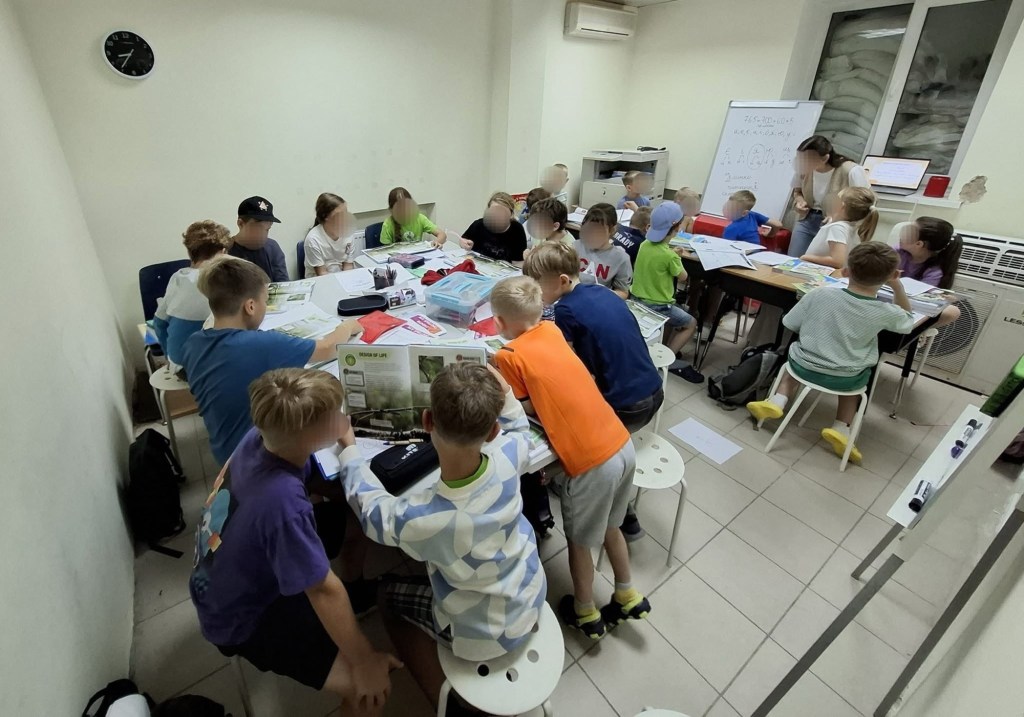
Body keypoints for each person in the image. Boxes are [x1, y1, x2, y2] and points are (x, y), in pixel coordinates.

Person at [190, 368, 400, 716]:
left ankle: (356, 591)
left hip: (227, 570)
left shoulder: (261, 437)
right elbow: (322, 590)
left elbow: (309, 482)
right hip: (244, 615)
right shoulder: (283, 505)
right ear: (311, 437)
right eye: (335, 417)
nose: (343, 420)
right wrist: (364, 659)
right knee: (366, 689)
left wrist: (345, 451)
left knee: (354, 522)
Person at [337, 362, 546, 711]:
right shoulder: (511, 453)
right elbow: (519, 426)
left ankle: (445, 702)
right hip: (530, 592)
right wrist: (505, 389)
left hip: (480, 635)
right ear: (493, 432)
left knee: (387, 596)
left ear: (427, 420)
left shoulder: (424, 519)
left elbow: (372, 512)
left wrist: (348, 448)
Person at [490, 276, 651, 640]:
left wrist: (498, 383)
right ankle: (627, 593)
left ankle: (584, 610)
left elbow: (524, 406)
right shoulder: (552, 330)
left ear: (498, 322)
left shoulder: (507, 355)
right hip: (621, 442)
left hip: (593, 464)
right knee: (611, 525)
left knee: (579, 541)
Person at [524, 242, 665, 541]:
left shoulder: (565, 311)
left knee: (574, 429)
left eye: (537, 286)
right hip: (653, 391)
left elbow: (567, 368)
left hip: (626, 405)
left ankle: (622, 516)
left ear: (562, 281)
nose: (535, 294)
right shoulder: (603, 292)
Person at [180, 256, 362, 466]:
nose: (265, 307)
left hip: (223, 453)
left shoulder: (193, 344)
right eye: (265, 301)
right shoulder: (259, 344)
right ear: (250, 306)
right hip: (257, 462)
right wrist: (348, 326)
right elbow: (327, 348)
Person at [746, 242, 915, 463]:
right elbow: (908, 322)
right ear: (892, 275)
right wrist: (897, 287)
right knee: (854, 386)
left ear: (845, 272)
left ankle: (777, 401)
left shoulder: (820, 294)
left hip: (803, 366)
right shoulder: (885, 311)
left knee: (793, 359)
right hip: (846, 377)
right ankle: (841, 428)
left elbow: (790, 322)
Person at [630, 202, 704, 383]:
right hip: (658, 306)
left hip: (636, 300)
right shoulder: (670, 256)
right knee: (691, 323)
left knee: (676, 313)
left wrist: (671, 253)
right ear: (677, 228)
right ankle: (667, 358)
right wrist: (677, 257)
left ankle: (663, 346)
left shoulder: (644, 244)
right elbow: (683, 277)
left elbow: (658, 254)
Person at [153, 220, 231, 374]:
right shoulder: (223, 279)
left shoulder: (178, 278)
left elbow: (159, 323)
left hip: (180, 366)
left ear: (189, 252)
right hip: (211, 368)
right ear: (223, 252)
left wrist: (169, 357)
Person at [789, 135, 869, 257]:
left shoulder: (850, 170)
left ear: (825, 158)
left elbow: (864, 201)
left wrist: (838, 214)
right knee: (793, 259)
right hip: (807, 218)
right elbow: (797, 191)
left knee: (824, 262)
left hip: (836, 224)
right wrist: (799, 201)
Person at [891, 217, 963, 327]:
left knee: (952, 311)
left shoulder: (934, 271)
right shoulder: (897, 251)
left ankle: (913, 331)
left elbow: (920, 299)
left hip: (909, 305)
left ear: (919, 244)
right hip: (885, 297)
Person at [801, 187, 879, 269]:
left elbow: (838, 261)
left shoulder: (837, 228)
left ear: (841, 206)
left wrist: (807, 257)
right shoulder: (848, 226)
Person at [575, 203, 633, 299]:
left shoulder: (621, 258)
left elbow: (623, 292)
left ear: (612, 230)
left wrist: (602, 294)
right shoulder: (575, 246)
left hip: (598, 301)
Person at [228, 196, 289, 282]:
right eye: (257, 229)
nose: (263, 235)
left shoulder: (272, 248)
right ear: (240, 224)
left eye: (267, 229)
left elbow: (283, 284)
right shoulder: (225, 252)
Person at [460, 191, 528, 265]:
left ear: (511, 214)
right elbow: (463, 241)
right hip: (476, 266)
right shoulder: (479, 224)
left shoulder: (517, 230)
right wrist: (465, 244)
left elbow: (518, 262)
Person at [304, 192, 355, 277]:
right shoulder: (313, 240)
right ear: (326, 216)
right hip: (321, 280)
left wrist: (347, 280)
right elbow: (322, 274)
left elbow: (348, 266)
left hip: (341, 278)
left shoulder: (348, 234)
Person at [380, 187, 447, 246]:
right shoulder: (388, 224)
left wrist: (437, 242)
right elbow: (386, 249)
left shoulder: (420, 218)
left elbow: (442, 234)